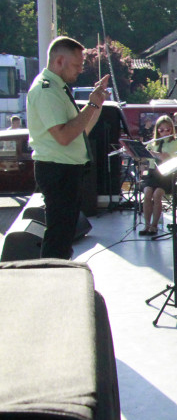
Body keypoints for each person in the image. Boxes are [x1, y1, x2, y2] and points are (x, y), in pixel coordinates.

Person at [26, 36, 110, 259]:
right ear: (59, 61)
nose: (80, 70)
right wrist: (90, 104)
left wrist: (96, 106)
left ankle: (58, 273)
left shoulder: (57, 87)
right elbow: (63, 136)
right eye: (76, 65)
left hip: (66, 169)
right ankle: (52, 279)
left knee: (64, 233)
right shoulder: (46, 90)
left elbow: (79, 132)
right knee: (58, 235)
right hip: (57, 169)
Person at [139, 116, 177, 236]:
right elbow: (144, 158)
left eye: (167, 130)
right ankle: (147, 225)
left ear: (171, 130)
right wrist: (135, 152)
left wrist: (151, 152)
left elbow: (165, 156)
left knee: (156, 195)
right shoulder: (152, 143)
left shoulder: (175, 143)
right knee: (147, 193)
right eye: (161, 130)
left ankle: (154, 225)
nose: (164, 132)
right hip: (152, 174)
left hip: (166, 175)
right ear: (157, 130)